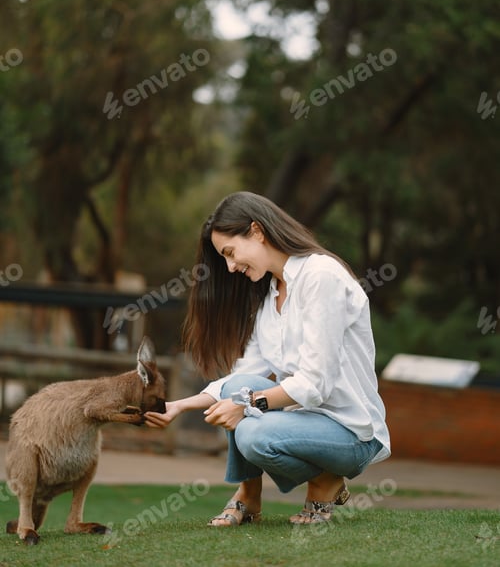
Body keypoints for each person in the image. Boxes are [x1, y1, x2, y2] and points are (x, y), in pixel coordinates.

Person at [145, 190, 390, 526]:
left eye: (231, 253)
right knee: (239, 391)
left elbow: (314, 384)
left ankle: (326, 481)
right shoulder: (271, 297)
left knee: (253, 435)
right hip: (306, 423)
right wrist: (179, 406)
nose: (230, 267)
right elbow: (243, 377)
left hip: (352, 432)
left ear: (257, 231)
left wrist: (249, 405)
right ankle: (251, 495)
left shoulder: (321, 277)